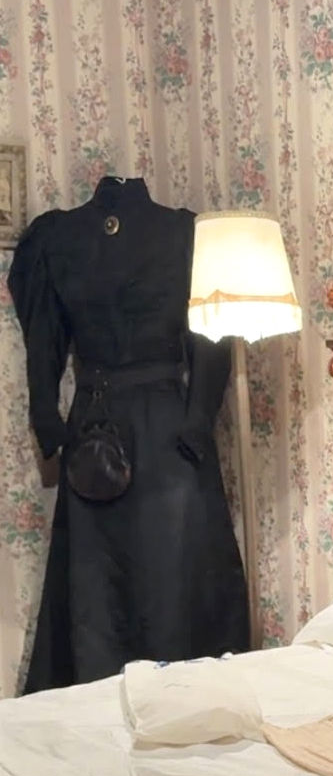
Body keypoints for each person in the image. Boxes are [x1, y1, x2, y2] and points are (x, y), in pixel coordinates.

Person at [8, 175, 250, 693]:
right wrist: (47, 419)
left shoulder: (184, 233)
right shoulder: (58, 239)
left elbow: (211, 336)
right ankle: (105, 706)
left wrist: (196, 419)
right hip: (127, 428)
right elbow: (46, 339)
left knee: (171, 570)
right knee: (102, 583)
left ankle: (182, 699)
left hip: (151, 426)